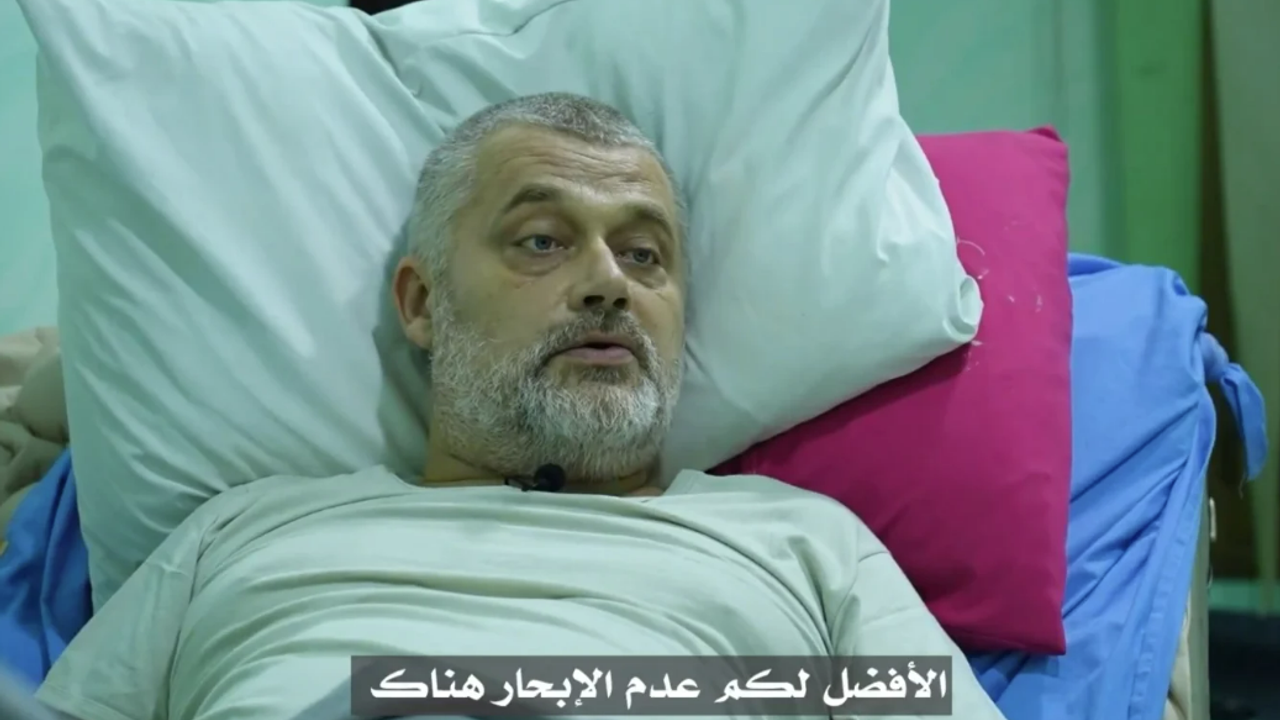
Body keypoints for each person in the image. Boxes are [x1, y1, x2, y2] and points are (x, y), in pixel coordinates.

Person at [34, 93, 1007, 720]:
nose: (607, 284)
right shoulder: (240, 532)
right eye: (542, 241)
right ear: (422, 303)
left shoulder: (804, 545)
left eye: (644, 255)